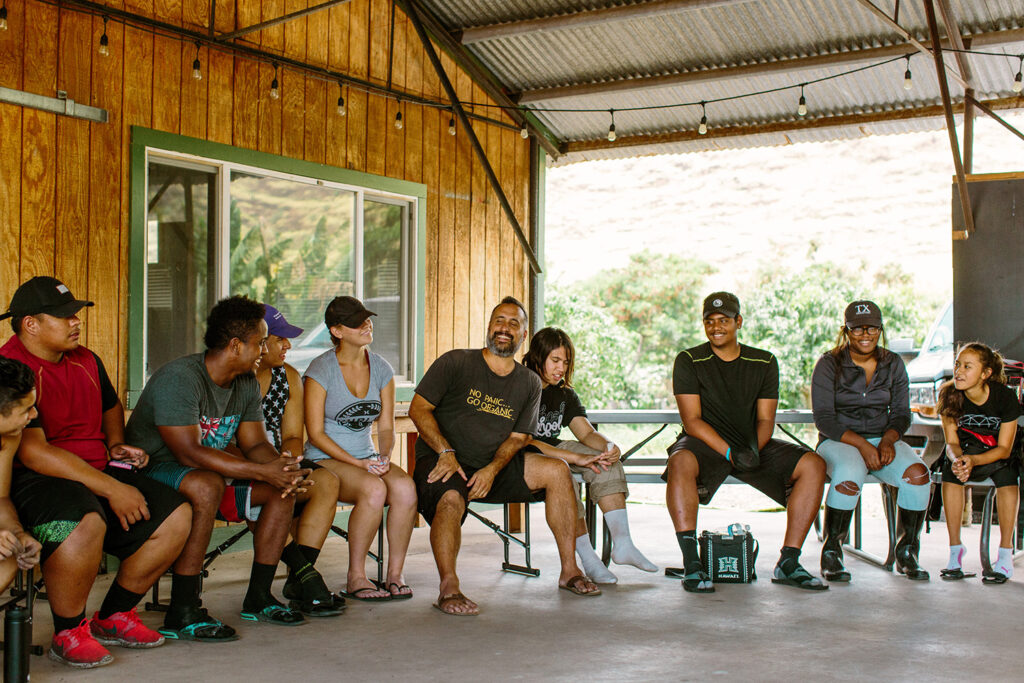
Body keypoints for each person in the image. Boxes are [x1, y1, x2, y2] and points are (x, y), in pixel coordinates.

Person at [0, 277, 191, 668]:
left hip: (96, 466)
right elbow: (35, 453)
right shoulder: (12, 370)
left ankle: (114, 615)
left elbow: (110, 404)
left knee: (175, 514)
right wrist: (111, 489)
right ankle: (69, 631)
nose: (75, 322)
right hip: (38, 477)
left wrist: (115, 444)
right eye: (63, 316)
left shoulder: (85, 358)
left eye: (76, 314)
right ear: (30, 324)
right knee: (84, 522)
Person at [126, 295, 313, 638]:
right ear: (235, 345)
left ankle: (259, 598)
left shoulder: (244, 382)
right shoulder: (180, 379)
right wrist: (262, 471)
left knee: (280, 489)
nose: (262, 351)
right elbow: (189, 453)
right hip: (154, 471)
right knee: (206, 483)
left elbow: (254, 443)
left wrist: (281, 469)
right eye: (259, 343)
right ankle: (183, 609)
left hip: (209, 470)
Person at [409, 297, 600, 617]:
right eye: (500, 320)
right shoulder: (455, 362)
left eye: (514, 323)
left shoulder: (527, 382)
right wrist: (446, 451)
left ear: (523, 336)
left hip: (494, 463)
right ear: (489, 327)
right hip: (444, 459)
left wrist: (493, 469)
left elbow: (519, 438)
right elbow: (419, 409)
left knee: (557, 470)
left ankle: (570, 570)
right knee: (451, 501)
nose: (505, 328)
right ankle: (448, 587)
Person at [664, 291, 828, 593]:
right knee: (680, 461)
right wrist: (729, 451)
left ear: (738, 322)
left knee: (813, 464)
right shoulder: (689, 359)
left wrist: (752, 450)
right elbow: (692, 421)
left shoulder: (764, 361)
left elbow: (766, 420)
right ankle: (692, 564)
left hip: (751, 445)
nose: (716, 327)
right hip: (705, 443)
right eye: (709, 321)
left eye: (724, 320)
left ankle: (788, 562)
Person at [303, 296, 417, 601]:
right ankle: (356, 576)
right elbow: (314, 434)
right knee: (374, 490)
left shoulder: (381, 368)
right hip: (325, 459)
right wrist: (359, 463)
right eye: (357, 322)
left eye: (367, 319)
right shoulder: (321, 370)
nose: (366, 325)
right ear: (337, 331)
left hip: (366, 457)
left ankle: (394, 574)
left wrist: (383, 456)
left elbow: (386, 426)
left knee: (405, 488)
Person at [523, 326, 657, 584]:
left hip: (555, 447)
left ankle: (623, 543)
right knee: (563, 474)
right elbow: (524, 441)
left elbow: (585, 432)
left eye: (565, 362)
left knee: (605, 460)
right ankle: (589, 559)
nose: (560, 368)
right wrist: (574, 459)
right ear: (538, 356)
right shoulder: (521, 387)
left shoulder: (563, 393)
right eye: (555, 360)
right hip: (528, 453)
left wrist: (607, 444)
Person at [811, 301, 931, 582]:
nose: (865, 334)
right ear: (847, 330)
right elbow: (824, 419)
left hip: (882, 439)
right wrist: (864, 446)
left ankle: (907, 553)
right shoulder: (829, 364)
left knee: (918, 473)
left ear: (880, 329)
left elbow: (902, 414)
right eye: (857, 329)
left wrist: (888, 441)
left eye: (872, 328)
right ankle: (832, 552)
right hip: (837, 441)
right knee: (850, 471)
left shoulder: (893, 363)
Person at [256, 303, 344, 616]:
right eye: (279, 338)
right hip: (241, 468)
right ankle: (308, 577)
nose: (288, 345)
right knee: (275, 490)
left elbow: (293, 436)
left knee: (325, 481)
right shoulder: (234, 377)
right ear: (258, 340)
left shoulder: (288, 377)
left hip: (277, 462)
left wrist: (288, 460)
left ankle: (298, 578)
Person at [937, 342, 1020, 584]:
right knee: (950, 474)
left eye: (967, 367)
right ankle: (955, 552)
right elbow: (951, 442)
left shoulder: (1004, 397)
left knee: (1008, 478)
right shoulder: (948, 394)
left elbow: (1004, 449)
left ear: (985, 374)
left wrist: (974, 460)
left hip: (995, 455)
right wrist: (959, 460)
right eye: (957, 365)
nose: (959, 371)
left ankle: (1004, 554)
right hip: (964, 452)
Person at [0, 358, 42, 596]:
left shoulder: (8, 435)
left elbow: (0, 498)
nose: (34, 415)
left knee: (8, 554)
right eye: (27, 409)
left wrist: (17, 534)